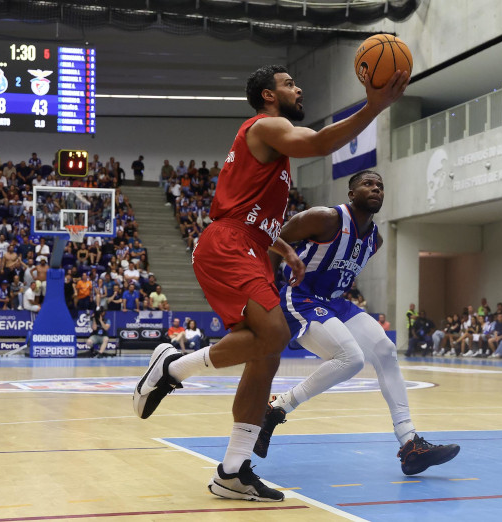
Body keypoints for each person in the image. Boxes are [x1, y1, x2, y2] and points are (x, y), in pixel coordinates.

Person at [132, 64, 409, 501]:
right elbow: (319, 143)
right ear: (267, 95)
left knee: (266, 355)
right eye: (289, 84)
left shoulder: (270, 151)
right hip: (229, 244)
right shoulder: (266, 125)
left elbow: (258, 218)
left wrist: (285, 251)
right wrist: (373, 107)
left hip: (252, 246)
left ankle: (232, 469)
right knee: (275, 332)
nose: (298, 89)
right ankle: (172, 368)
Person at [261, 171, 459, 475]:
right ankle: (277, 408)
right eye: (368, 183)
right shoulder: (325, 218)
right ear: (351, 193)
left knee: (385, 349)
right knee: (351, 359)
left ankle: (410, 444)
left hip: (336, 301)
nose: (376, 188)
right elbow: (275, 238)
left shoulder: (374, 239)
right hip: (301, 296)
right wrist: (268, 290)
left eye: (380, 185)